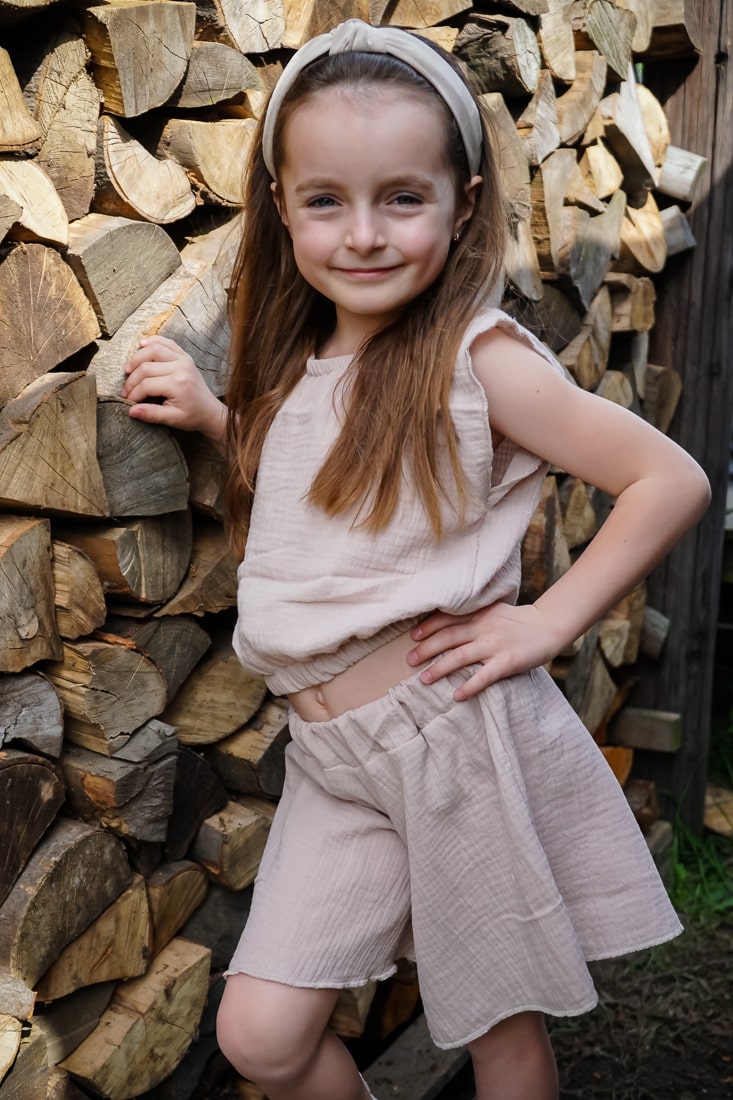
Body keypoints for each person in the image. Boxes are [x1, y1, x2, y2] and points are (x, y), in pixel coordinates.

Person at [121, 20, 710, 1100]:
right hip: (330, 755)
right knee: (261, 1035)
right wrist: (214, 417)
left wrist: (547, 622)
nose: (363, 235)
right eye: (325, 201)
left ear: (463, 204)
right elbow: (322, 486)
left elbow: (667, 478)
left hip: (449, 739)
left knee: (496, 1028)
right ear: (281, 207)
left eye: (401, 197)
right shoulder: (304, 359)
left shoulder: (478, 362)